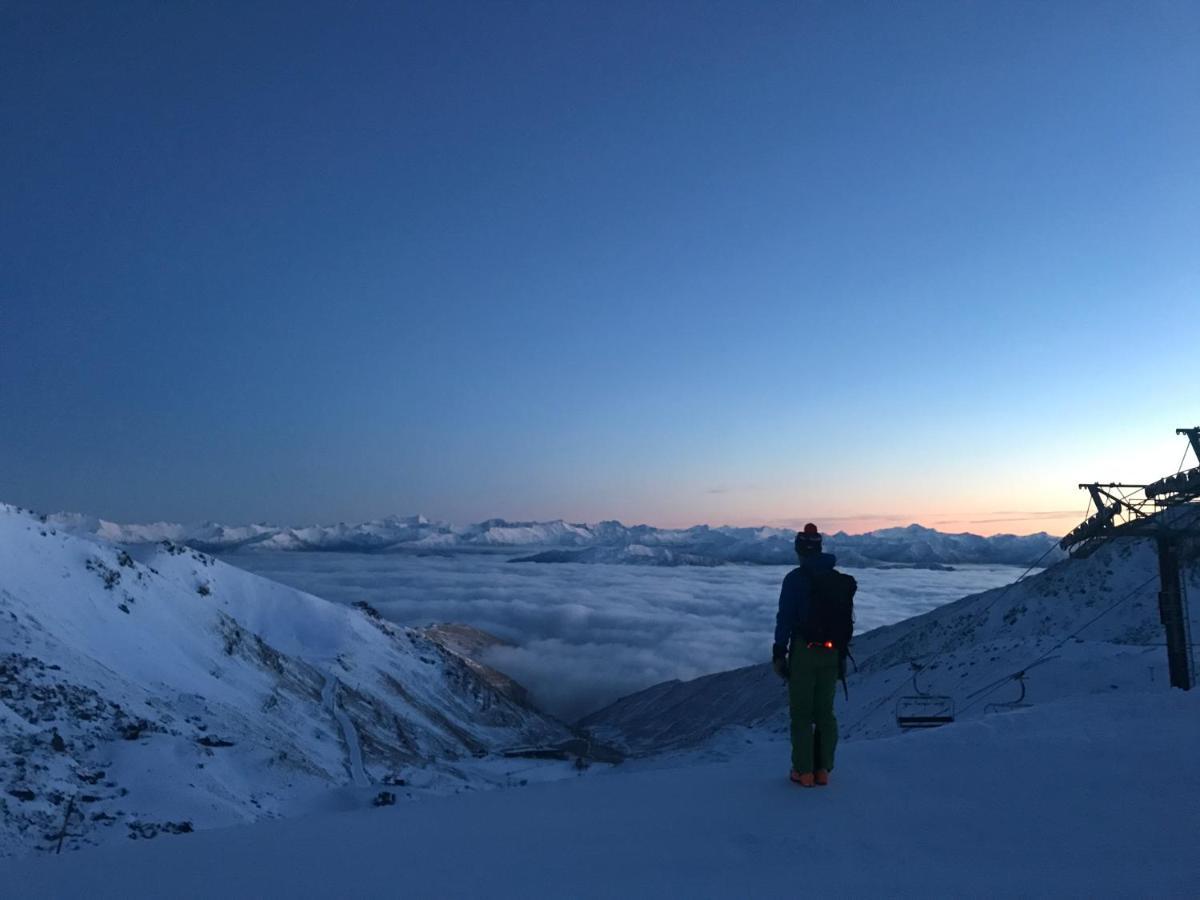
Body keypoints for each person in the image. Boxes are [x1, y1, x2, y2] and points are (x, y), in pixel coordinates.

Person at [772, 523, 853, 787]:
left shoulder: (795, 579)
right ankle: (823, 770)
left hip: (804, 653)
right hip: (832, 653)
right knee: (825, 713)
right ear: (819, 548)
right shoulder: (836, 579)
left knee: (802, 714)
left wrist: (779, 652)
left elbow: (785, 618)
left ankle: (803, 772)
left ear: (799, 550)